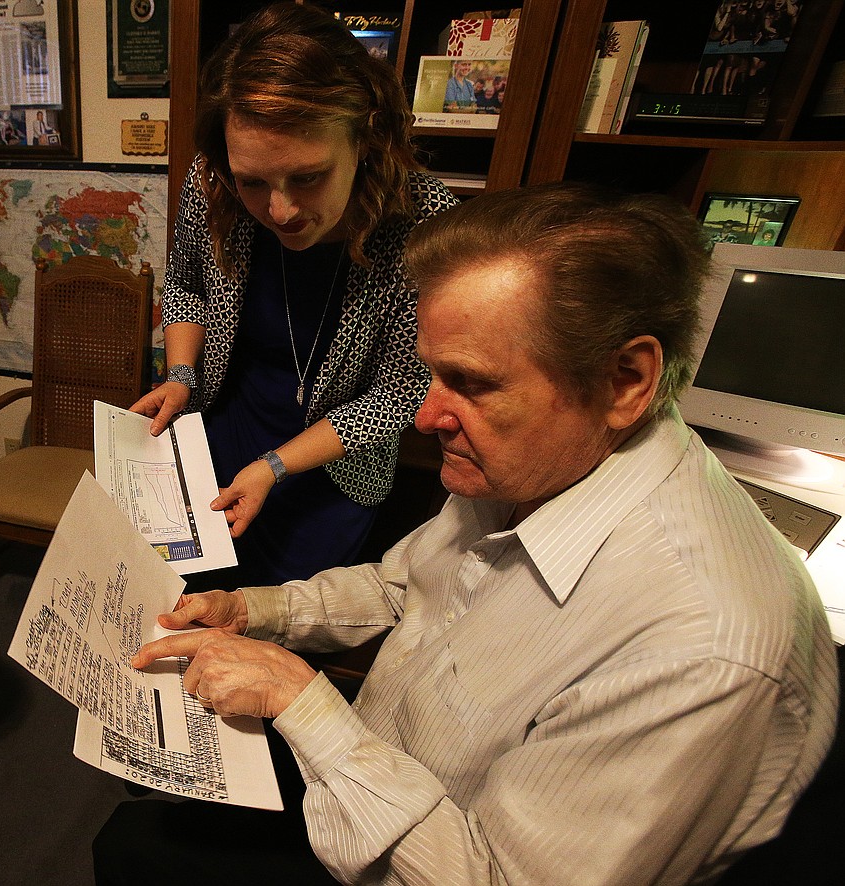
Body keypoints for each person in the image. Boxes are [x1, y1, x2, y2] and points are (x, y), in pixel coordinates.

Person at [95, 182, 838, 885]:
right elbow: (404, 584)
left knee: (134, 849)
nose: (424, 417)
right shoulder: (537, 461)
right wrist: (257, 612)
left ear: (625, 381)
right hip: (384, 772)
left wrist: (302, 702)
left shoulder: (702, 649)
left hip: (435, 848)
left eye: (473, 383)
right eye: (431, 375)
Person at [129, 2, 457, 588]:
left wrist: (276, 466)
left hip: (334, 466)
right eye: (254, 181)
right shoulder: (216, 185)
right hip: (225, 426)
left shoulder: (426, 226)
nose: (279, 211)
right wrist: (180, 373)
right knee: (189, 603)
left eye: (307, 177)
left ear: (366, 137)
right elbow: (186, 286)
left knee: (284, 624)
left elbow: (400, 391)